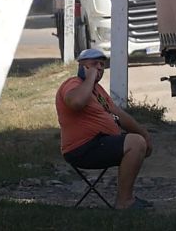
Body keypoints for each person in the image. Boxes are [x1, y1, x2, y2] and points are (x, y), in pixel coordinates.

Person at [55, 48, 153, 209]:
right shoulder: (73, 84)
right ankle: (125, 202)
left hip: (100, 143)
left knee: (138, 139)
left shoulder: (98, 90)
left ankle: (127, 198)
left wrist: (144, 134)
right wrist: (90, 77)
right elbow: (76, 103)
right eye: (94, 64)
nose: (100, 67)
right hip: (82, 148)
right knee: (135, 143)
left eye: (102, 64)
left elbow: (119, 114)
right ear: (82, 66)